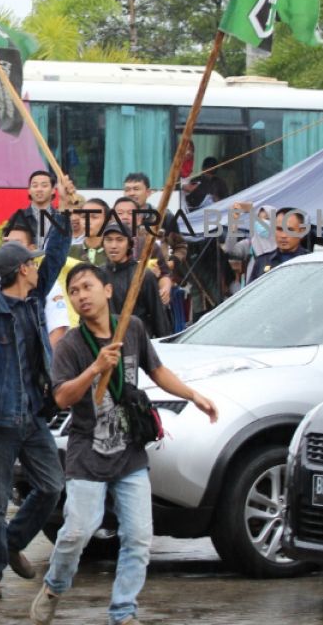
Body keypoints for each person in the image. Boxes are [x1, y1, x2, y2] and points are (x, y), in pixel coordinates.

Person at [31, 263, 219, 625]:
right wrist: (95, 369)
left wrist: (194, 395)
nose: (81, 296)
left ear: (107, 290)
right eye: (74, 291)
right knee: (76, 533)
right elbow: (62, 398)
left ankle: (123, 611)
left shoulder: (130, 328)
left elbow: (157, 370)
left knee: (138, 538)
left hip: (130, 452)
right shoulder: (71, 345)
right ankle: (54, 585)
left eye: (87, 287)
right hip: (88, 453)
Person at [0, 217, 71, 599]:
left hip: (34, 415)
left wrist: (64, 217)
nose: (37, 266)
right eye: (31, 262)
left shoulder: (33, 300)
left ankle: (11, 542)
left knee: (52, 486)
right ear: (21, 270)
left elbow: (56, 255)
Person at [100, 223, 171, 339]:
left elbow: (159, 317)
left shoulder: (144, 275)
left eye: (119, 240)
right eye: (108, 240)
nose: (113, 245)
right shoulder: (98, 275)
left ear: (129, 244)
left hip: (138, 342)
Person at [247, 207, 310, 282]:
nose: (283, 235)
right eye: (279, 229)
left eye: (290, 230)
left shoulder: (312, 262)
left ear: (301, 231)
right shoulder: (262, 262)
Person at [8, 171, 56, 238]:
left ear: (53, 190)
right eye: (35, 186)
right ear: (29, 191)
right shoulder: (18, 217)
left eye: (44, 186)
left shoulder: (60, 217)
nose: (39, 189)